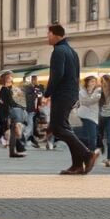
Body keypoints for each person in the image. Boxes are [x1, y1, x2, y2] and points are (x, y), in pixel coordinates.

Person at [46, 25, 95, 175]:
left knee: (58, 128)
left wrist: (47, 93)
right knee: (64, 128)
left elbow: (57, 75)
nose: (47, 37)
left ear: (56, 35)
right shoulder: (72, 51)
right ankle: (77, 165)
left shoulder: (59, 51)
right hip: (71, 93)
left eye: (49, 34)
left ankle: (87, 154)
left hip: (62, 94)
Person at [0, 71, 27, 158]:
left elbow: (10, 102)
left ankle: (15, 149)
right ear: (6, 79)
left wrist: (19, 105)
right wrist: (19, 106)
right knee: (6, 131)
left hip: (5, 114)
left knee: (3, 131)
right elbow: (8, 103)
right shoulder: (4, 89)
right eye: (10, 76)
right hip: (4, 114)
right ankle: (17, 148)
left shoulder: (7, 89)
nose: (12, 77)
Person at [78, 75, 102, 153]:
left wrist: (92, 95)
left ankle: (90, 151)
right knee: (90, 135)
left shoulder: (98, 91)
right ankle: (90, 151)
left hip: (93, 115)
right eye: (91, 81)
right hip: (84, 115)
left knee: (92, 135)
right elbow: (85, 102)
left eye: (94, 81)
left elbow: (91, 101)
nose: (92, 83)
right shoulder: (82, 91)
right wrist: (91, 96)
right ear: (87, 82)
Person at [23, 75, 45, 148]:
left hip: (35, 110)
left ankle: (30, 140)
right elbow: (31, 97)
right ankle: (24, 140)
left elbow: (40, 95)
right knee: (30, 125)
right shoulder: (28, 88)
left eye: (35, 79)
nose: (35, 80)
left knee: (32, 125)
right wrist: (36, 91)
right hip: (29, 109)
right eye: (34, 79)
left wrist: (38, 88)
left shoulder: (35, 87)